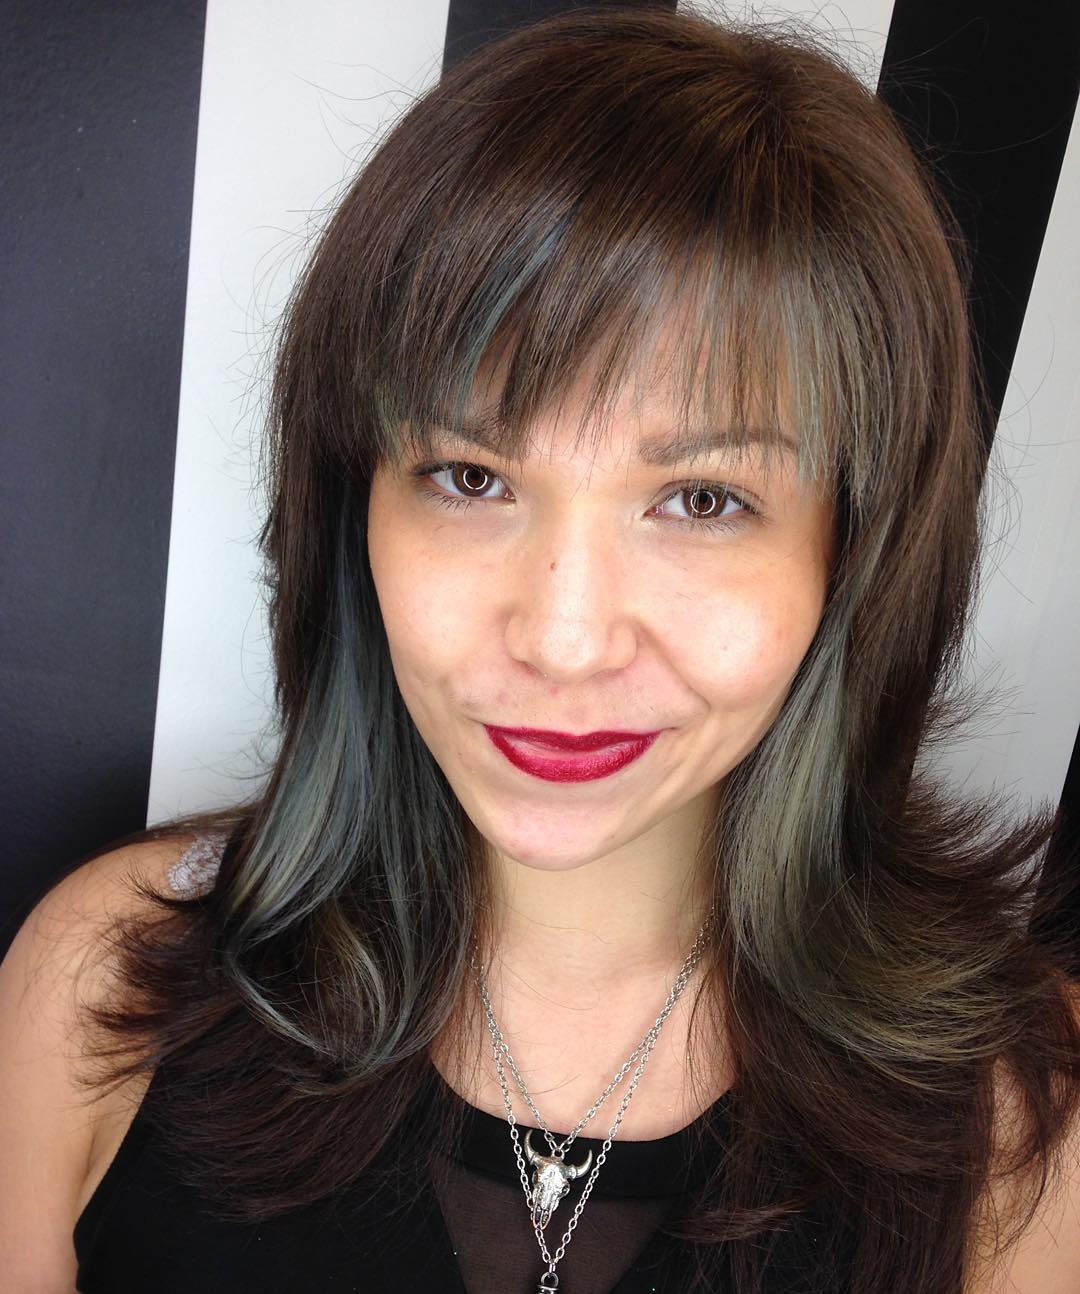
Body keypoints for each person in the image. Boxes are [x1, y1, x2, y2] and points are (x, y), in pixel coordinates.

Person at [2, 7, 1078, 1293]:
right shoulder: (107, 983)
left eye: (703, 500)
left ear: (851, 558)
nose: (564, 639)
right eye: (471, 476)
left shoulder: (1021, 1114)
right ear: (355, 510)